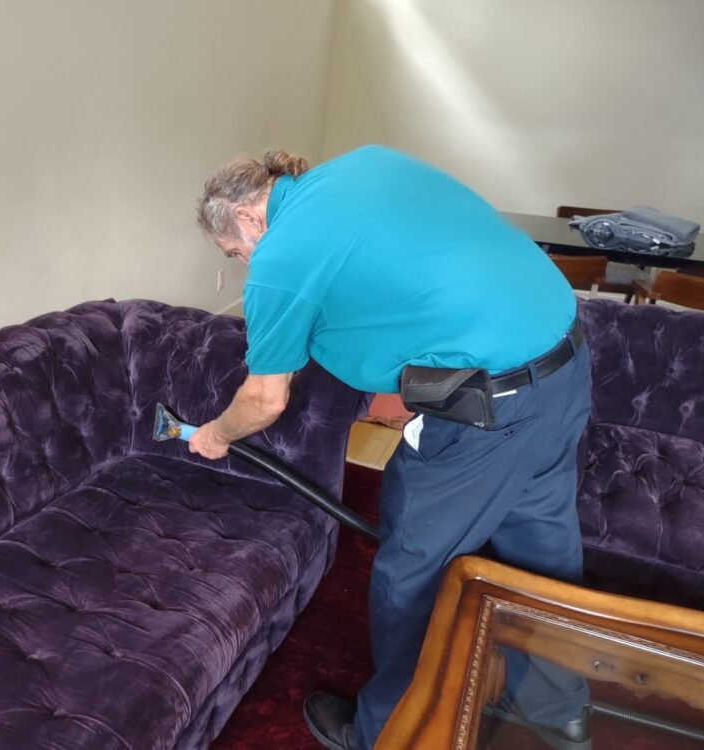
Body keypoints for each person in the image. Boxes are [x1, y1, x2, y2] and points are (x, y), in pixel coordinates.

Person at [191, 146, 593, 750]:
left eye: (234, 252)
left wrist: (217, 434)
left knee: (412, 573)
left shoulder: (281, 251)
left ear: (249, 218)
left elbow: (265, 399)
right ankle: (559, 709)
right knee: (543, 550)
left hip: (490, 407)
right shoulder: (365, 163)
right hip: (564, 364)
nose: (245, 262)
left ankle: (388, 733)